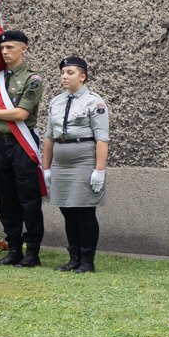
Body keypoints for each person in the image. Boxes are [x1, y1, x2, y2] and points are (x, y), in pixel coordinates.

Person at [0, 29, 47, 268]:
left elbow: (21, 114)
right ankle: (13, 249)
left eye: (10, 48)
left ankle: (32, 252)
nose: (4, 52)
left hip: (22, 145)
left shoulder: (32, 79)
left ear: (23, 49)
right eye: (2, 48)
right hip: (1, 148)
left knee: (28, 200)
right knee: (5, 200)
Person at [44, 56, 111, 273]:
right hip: (61, 162)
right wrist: (46, 168)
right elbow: (49, 137)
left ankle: (87, 261)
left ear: (83, 76)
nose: (64, 76)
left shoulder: (94, 101)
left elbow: (102, 138)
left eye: (70, 72)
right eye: (63, 72)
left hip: (83, 160)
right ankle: (73, 258)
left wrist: (99, 170)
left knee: (84, 211)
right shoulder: (56, 101)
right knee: (67, 210)